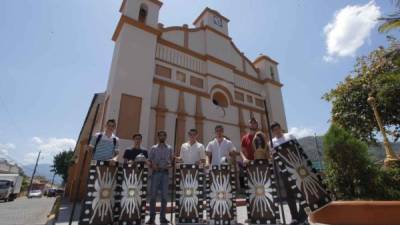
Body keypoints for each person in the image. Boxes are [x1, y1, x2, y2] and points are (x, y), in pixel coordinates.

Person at [271, 122, 307, 225]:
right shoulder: (272, 143)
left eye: (278, 129)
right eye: (274, 130)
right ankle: (294, 218)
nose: (277, 131)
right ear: (273, 132)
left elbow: (298, 150)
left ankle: (304, 217)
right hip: (284, 171)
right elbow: (273, 157)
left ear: (281, 128)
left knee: (301, 192)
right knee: (289, 194)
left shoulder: (290, 136)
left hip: (297, 168)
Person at [147, 131, 173, 225]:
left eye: (164, 135)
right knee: (153, 196)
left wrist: (169, 165)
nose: (162, 137)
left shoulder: (169, 148)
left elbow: (171, 162)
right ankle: (151, 218)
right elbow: (149, 160)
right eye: (160, 135)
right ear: (158, 137)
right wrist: (152, 165)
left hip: (165, 174)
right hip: (155, 173)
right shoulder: (153, 148)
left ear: (166, 137)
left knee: (164, 197)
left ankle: (163, 218)